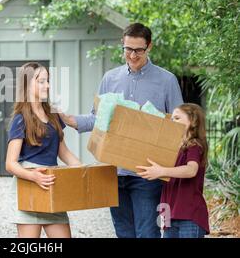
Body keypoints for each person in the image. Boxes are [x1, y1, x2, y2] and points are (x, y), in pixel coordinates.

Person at [60, 23, 184, 238]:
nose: (133, 55)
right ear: (122, 45)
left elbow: (179, 125)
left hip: (147, 174)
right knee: (124, 233)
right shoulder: (111, 78)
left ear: (149, 47)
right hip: (114, 171)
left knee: (147, 233)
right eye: (128, 49)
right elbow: (98, 119)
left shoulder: (166, 80)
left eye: (138, 50)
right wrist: (70, 120)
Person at [6, 62, 82, 238]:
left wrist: (84, 171)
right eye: (41, 81)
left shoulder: (53, 114)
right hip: (29, 187)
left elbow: (64, 153)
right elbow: (10, 164)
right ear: (27, 84)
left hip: (51, 186)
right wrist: (33, 176)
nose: (47, 85)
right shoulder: (20, 119)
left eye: (47, 81)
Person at [136, 103, 210, 238]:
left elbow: (191, 170)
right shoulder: (171, 149)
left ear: (192, 121)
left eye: (177, 118)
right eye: (171, 119)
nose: (172, 122)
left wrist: (162, 171)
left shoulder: (194, 145)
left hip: (188, 215)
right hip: (170, 214)